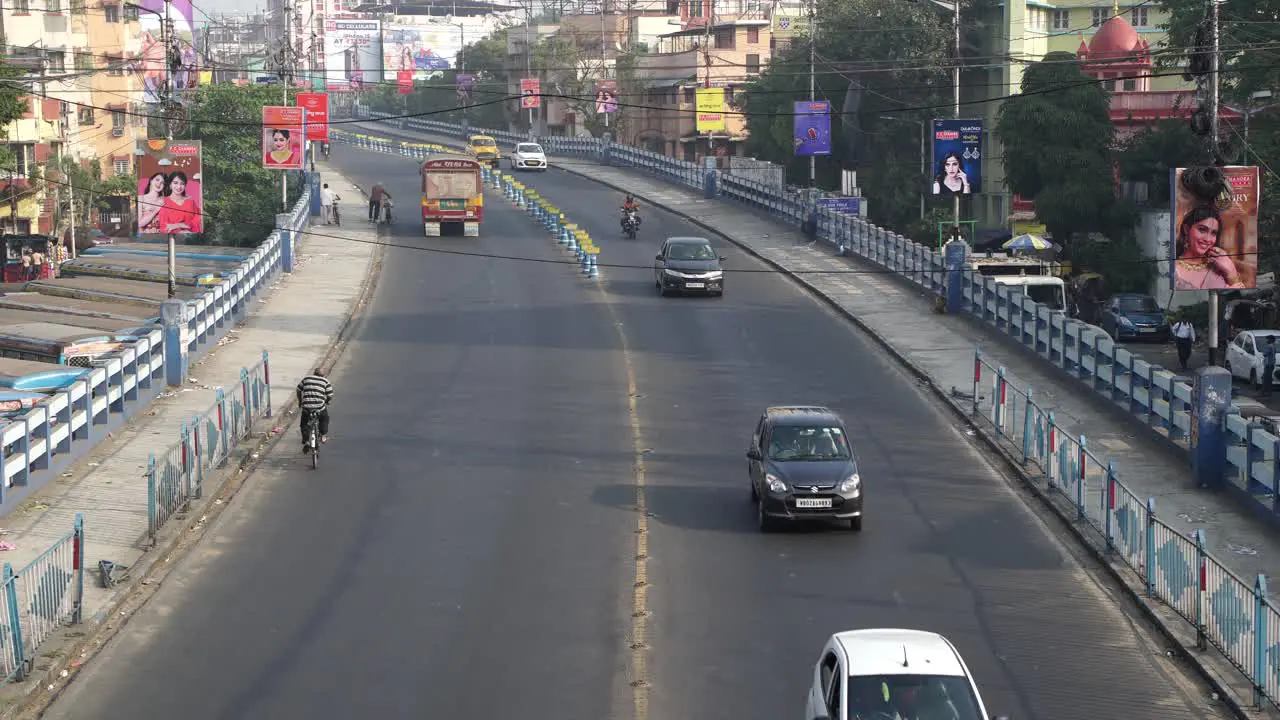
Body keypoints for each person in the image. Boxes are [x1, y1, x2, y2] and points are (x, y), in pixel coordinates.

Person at [1174, 205, 1245, 290]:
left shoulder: (1219, 266)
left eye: (1213, 233)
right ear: (1186, 229)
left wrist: (1232, 272)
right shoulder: (1172, 268)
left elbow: (1240, 297)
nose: (1207, 239)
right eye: (1202, 230)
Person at [296, 367, 334, 453]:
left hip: (307, 407)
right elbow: (330, 395)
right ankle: (323, 436)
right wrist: (326, 401)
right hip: (319, 408)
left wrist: (300, 401)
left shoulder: (306, 379)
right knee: (325, 418)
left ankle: (306, 441)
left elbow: (298, 389)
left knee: (304, 424)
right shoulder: (325, 381)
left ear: (314, 373)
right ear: (323, 374)